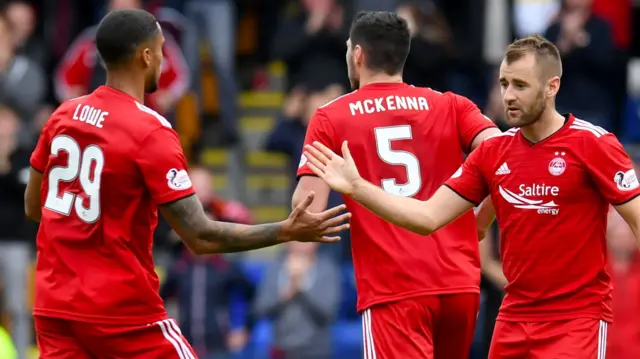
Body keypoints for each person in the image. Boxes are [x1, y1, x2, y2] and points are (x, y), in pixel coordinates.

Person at [24, 9, 350, 359]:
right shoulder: (149, 130)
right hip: (118, 310)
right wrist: (286, 231)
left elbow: (34, 207)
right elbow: (200, 236)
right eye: (161, 50)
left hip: (54, 304)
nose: (163, 61)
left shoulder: (64, 115)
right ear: (146, 56)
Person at [303, 34, 640, 359]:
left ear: (552, 87)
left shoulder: (593, 144)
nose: (508, 95)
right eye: (504, 83)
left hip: (575, 320)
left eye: (520, 85)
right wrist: (357, 186)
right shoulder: (494, 153)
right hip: (513, 319)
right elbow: (427, 218)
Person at [293, 11, 500, 359]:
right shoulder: (451, 104)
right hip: (459, 283)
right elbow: (503, 157)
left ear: (357, 54)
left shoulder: (331, 117)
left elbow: (308, 210)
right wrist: (482, 219)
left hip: (394, 288)